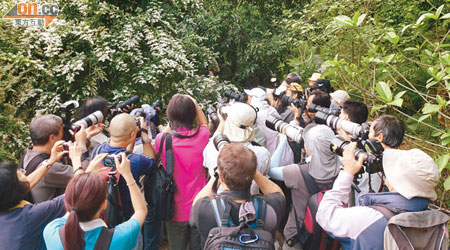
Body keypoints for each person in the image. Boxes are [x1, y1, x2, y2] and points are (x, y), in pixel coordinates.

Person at [316, 143, 440, 250]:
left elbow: (325, 214)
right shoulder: (434, 221)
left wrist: (347, 173)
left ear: (394, 180)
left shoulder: (368, 218)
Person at [0, 140, 100, 250]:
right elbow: (77, 193)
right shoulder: (31, 216)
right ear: (15, 190)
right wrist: (77, 161)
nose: (22, 172)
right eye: (19, 173)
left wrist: (50, 161)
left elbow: (27, 183)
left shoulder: (5, 204)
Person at [43, 152, 147, 250]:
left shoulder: (51, 231)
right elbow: (141, 211)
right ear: (104, 204)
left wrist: (86, 175)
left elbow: (75, 203)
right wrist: (128, 175)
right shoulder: (119, 237)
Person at [190, 143, 286, 248]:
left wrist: (216, 175)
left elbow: (197, 202)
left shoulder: (205, 209)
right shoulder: (270, 208)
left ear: (221, 178)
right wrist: (251, 170)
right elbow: (278, 194)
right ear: (252, 175)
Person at [146, 94, 209, 250]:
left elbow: (167, 131)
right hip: (199, 208)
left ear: (170, 115)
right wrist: (195, 104)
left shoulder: (163, 139)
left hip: (173, 209)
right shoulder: (202, 136)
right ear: (193, 114)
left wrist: (173, 117)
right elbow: (204, 124)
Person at [268, 124, 341, 249]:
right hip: (330, 233)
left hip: (298, 236)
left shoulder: (297, 172)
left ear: (308, 148)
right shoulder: (343, 169)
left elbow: (271, 170)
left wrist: (283, 141)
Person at [20, 115, 96, 203]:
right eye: (61, 131)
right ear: (52, 137)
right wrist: (82, 145)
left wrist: (86, 137)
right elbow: (85, 177)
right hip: (54, 215)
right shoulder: (51, 167)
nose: (63, 134)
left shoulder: (29, 153)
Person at [95, 113, 155, 220]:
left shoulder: (97, 150)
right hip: (128, 219)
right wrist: (144, 134)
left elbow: (124, 151)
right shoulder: (136, 161)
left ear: (109, 131)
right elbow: (151, 162)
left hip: (102, 214)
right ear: (132, 134)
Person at [203, 102, 271, 194]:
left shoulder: (212, 149)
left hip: (220, 204)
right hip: (251, 204)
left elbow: (214, 140)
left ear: (228, 122)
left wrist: (222, 123)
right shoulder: (262, 153)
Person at [245, 87, 295, 166]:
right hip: (286, 155)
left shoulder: (255, 116)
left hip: (273, 159)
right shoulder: (271, 110)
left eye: (249, 97)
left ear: (255, 99)